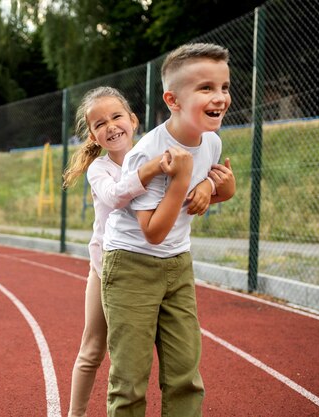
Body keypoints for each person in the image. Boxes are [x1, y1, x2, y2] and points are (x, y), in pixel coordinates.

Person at [62, 86, 219, 417]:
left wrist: (208, 184)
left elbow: (193, 183)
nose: (111, 126)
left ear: (133, 121)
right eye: (100, 123)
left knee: (170, 361)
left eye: (117, 116)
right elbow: (118, 195)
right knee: (92, 349)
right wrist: (154, 168)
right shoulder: (99, 169)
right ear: (92, 136)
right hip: (106, 269)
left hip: (155, 267)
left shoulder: (153, 150)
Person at [101, 43, 236, 417]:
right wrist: (181, 179)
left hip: (178, 264)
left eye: (224, 87)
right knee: (129, 380)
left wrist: (209, 186)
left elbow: (221, 190)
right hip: (132, 265)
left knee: (184, 374)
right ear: (173, 100)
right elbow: (154, 231)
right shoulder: (148, 152)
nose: (220, 97)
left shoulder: (211, 140)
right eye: (206, 88)